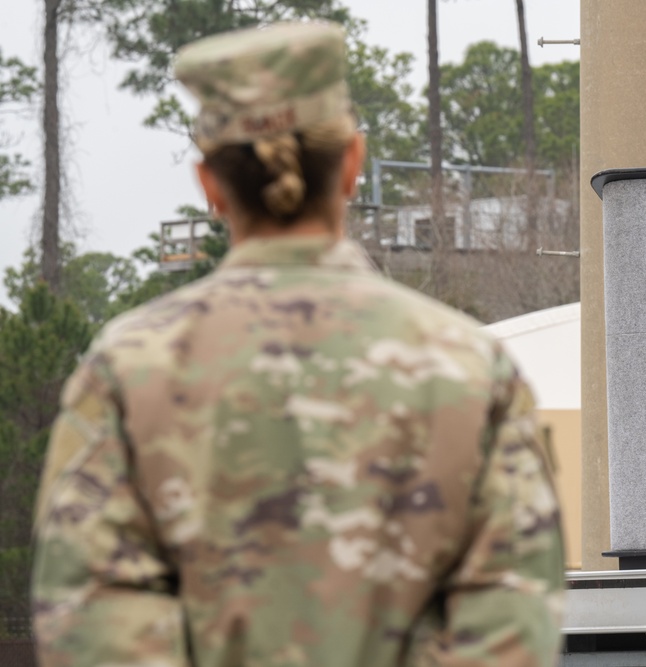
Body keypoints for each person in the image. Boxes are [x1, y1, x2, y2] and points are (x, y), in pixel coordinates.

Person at [31, 21, 565, 666]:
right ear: (351, 164)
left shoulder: (126, 368)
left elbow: (88, 616)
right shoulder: (469, 365)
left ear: (208, 186)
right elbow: (512, 614)